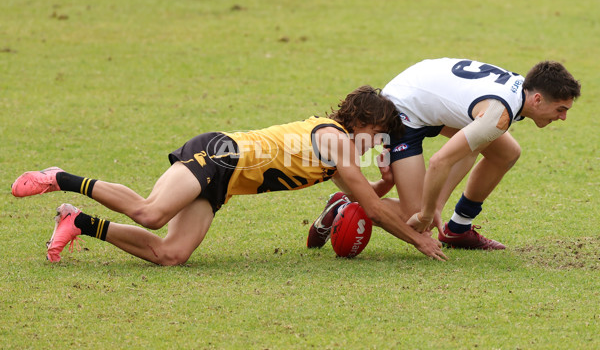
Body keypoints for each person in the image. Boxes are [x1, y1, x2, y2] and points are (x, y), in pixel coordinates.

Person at [11, 86, 448, 265]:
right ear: (360, 124)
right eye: (377, 135)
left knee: (171, 254)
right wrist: (420, 239)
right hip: (218, 155)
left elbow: (362, 195)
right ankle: (61, 176)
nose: (377, 143)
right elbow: (369, 207)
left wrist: (386, 182)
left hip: (227, 181)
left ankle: (77, 221)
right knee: (151, 213)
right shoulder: (336, 141)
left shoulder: (338, 151)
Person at [307, 58, 580, 250]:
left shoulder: (521, 91)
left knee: (506, 152)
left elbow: (469, 148)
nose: (564, 117)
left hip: (428, 90)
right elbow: (441, 161)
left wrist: (436, 205)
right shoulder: (499, 114)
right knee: (414, 218)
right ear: (537, 99)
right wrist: (428, 211)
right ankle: (343, 206)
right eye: (560, 109)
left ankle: (458, 229)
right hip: (405, 109)